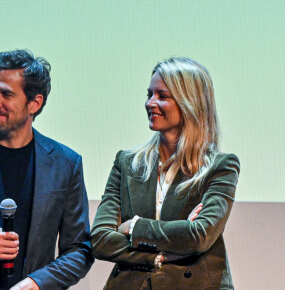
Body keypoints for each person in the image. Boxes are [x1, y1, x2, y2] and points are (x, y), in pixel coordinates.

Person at [91, 57, 240, 290]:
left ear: (190, 102)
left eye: (162, 96)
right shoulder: (127, 163)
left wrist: (134, 228)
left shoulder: (220, 167)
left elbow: (199, 236)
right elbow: (101, 240)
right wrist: (158, 256)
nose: (150, 103)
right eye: (149, 94)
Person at [0, 49, 94, 290]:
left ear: (35, 103)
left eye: (5, 94)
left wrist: (36, 283)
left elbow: (79, 249)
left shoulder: (65, 163)